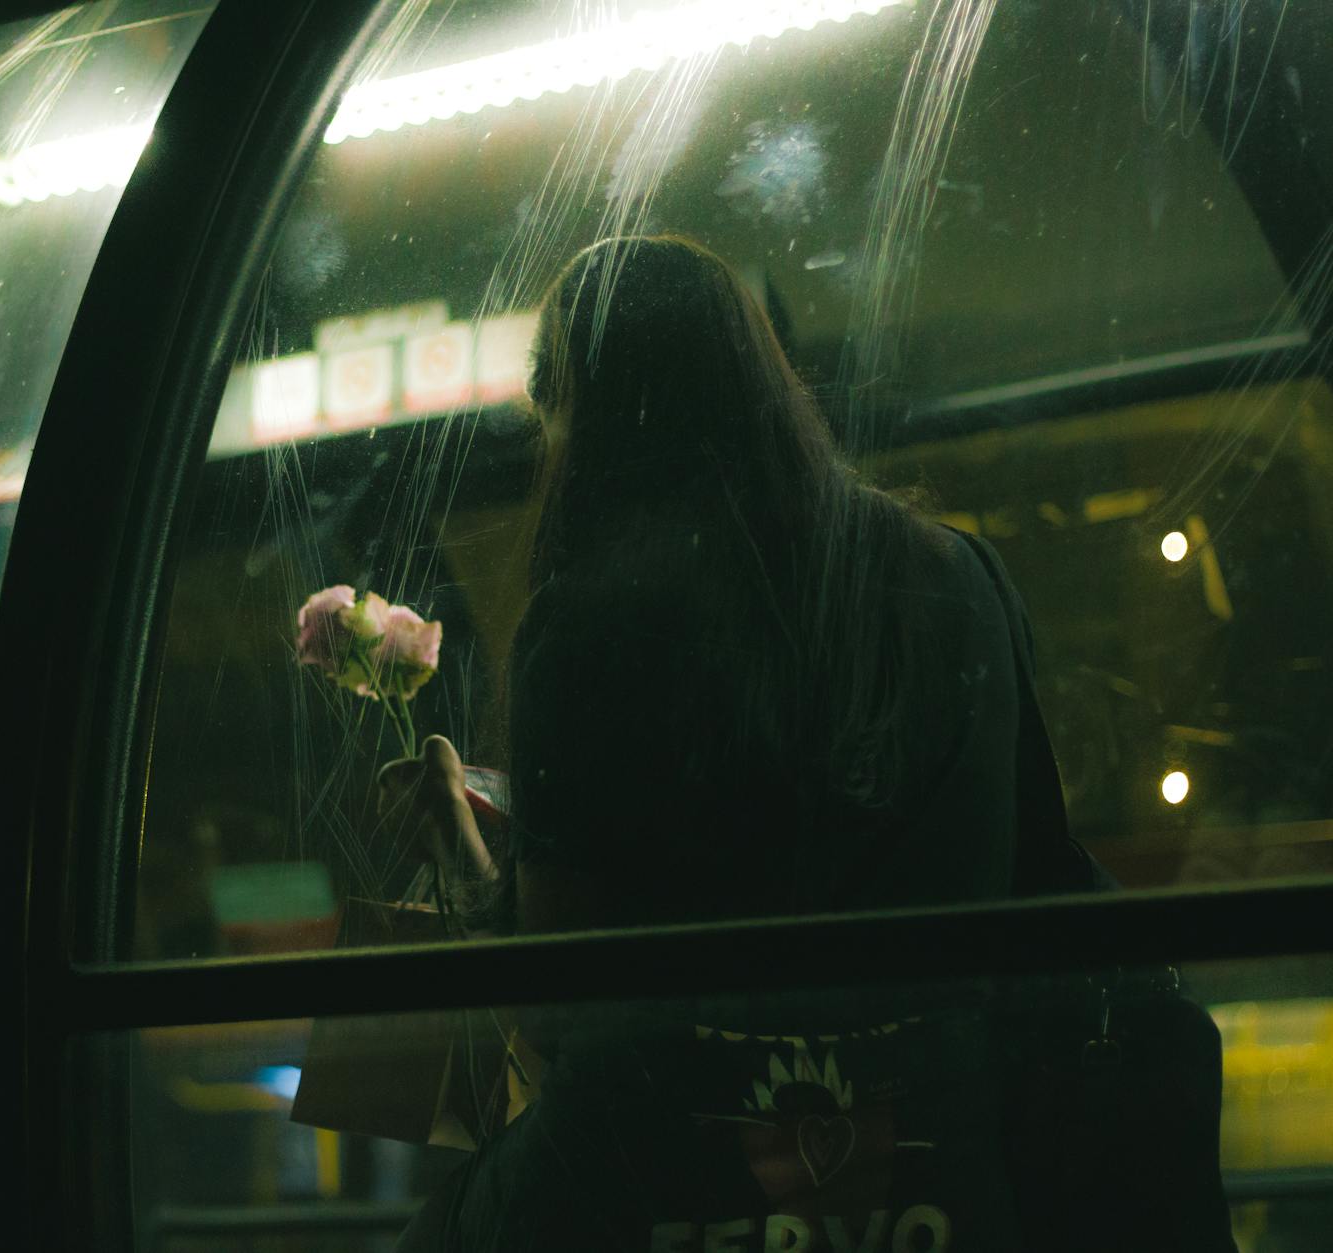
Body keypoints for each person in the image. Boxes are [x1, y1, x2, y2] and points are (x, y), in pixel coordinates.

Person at [376, 236, 1232, 1251]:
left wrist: (467, 858)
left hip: (685, 1187)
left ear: (573, 409)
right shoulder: (954, 578)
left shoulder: (585, 627)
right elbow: (1014, 875)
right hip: (955, 1166)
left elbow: (571, 1030)